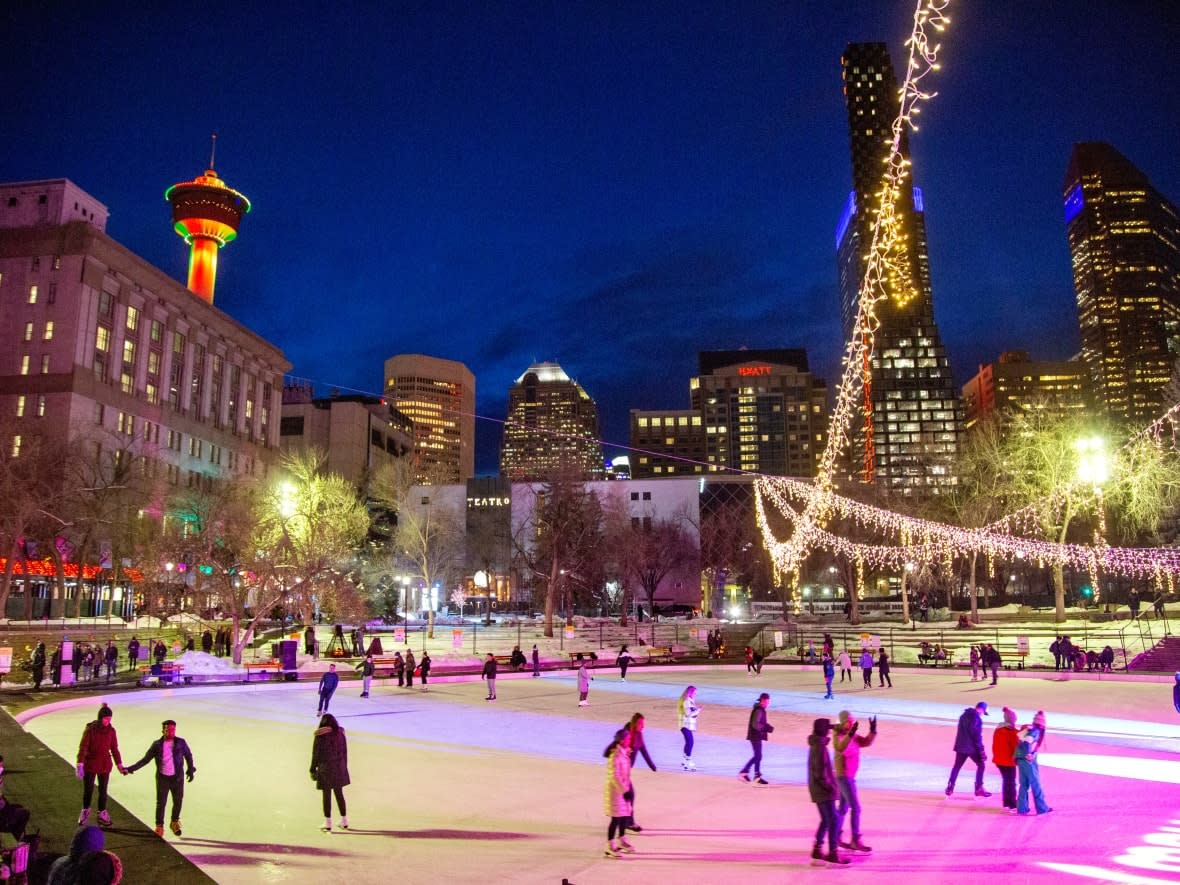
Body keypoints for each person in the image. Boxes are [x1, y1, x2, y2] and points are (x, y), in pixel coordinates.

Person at [125, 719, 196, 837]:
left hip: (177, 778)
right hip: (163, 778)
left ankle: (174, 822)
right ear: (163, 730)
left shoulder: (181, 742)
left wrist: (190, 769)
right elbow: (145, 760)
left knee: (178, 801)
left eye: (173, 729)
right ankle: (159, 826)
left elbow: (188, 755)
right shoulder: (157, 745)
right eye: (168, 729)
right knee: (161, 803)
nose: (171, 732)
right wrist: (131, 768)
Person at [833, 710, 877, 853]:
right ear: (843, 721)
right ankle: (855, 840)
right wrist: (851, 735)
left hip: (849, 776)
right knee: (856, 808)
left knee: (843, 809)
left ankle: (836, 836)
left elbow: (865, 742)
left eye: (852, 720)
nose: (851, 722)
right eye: (848, 720)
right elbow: (844, 750)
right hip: (844, 777)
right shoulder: (839, 736)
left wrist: (872, 731)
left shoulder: (851, 734)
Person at [76, 703, 127, 827]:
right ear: (100, 718)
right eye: (106, 719)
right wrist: (80, 764)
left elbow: (114, 749)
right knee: (88, 790)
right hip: (91, 764)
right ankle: (85, 810)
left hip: (104, 764)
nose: (108, 721)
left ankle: (102, 812)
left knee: (103, 791)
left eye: (109, 719)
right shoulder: (90, 730)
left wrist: (119, 765)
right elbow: (83, 747)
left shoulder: (111, 731)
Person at [808, 718, 848, 865]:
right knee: (834, 820)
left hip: (817, 790)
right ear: (823, 730)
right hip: (824, 791)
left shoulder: (816, 744)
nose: (830, 731)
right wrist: (831, 787)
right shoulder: (819, 747)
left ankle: (817, 849)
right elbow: (820, 773)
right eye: (828, 728)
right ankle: (833, 853)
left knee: (826, 819)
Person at [310, 713, 350, 831]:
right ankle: (344, 820)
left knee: (326, 795)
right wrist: (344, 768)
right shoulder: (341, 734)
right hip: (339, 768)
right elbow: (345, 752)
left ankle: (328, 822)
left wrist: (312, 769)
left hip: (325, 769)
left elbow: (315, 754)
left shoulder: (320, 735)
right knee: (339, 794)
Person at [946, 701, 990, 798]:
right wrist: (981, 751)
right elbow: (977, 737)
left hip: (960, 746)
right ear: (982, 709)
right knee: (981, 764)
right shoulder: (977, 719)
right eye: (984, 712)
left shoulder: (963, 716)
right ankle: (979, 788)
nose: (983, 714)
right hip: (971, 748)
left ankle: (950, 787)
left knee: (957, 767)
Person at [602, 728, 635, 858]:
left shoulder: (623, 753)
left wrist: (626, 790)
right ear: (621, 740)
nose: (629, 741)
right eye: (627, 739)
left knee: (624, 816)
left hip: (623, 790)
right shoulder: (615, 755)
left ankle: (622, 840)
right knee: (615, 819)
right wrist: (624, 791)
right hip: (615, 792)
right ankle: (610, 846)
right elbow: (614, 776)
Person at [624, 713, 656, 832]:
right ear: (635, 723)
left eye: (643, 724)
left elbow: (644, 751)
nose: (643, 726)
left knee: (627, 797)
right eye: (641, 724)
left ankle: (625, 821)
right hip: (621, 770)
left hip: (626, 771)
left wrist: (651, 765)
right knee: (629, 795)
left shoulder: (639, 735)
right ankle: (628, 822)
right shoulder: (627, 733)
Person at [1015, 712, 1051, 815]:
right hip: (1027, 761)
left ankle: (1022, 808)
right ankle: (1042, 808)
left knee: (1024, 785)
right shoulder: (1036, 732)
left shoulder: (1028, 729)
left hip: (1021, 760)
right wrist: (1029, 754)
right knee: (1036, 784)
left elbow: (1019, 738)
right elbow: (1027, 742)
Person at [739, 693, 774, 785]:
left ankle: (749, 773)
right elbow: (755, 724)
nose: (768, 703)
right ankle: (752, 775)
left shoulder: (759, 709)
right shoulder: (759, 710)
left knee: (758, 756)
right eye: (767, 701)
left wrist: (767, 726)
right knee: (758, 756)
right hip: (755, 736)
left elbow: (759, 723)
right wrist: (766, 728)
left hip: (756, 735)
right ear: (762, 700)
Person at [992, 706, 1020, 813]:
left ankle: (1006, 803)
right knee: (1011, 782)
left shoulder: (999, 729)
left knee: (1006, 781)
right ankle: (1012, 804)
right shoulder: (1010, 732)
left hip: (999, 761)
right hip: (1007, 761)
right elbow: (1016, 745)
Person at [677, 686, 700, 770]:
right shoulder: (687, 701)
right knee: (690, 742)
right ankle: (688, 762)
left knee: (688, 742)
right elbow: (688, 713)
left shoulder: (689, 701)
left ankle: (684, 761)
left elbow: (692, 713)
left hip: (687, 725)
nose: (695, 695)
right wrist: (698, 710)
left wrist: (696, 711)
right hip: (685, 725)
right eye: (694, 693)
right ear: (690, 692)